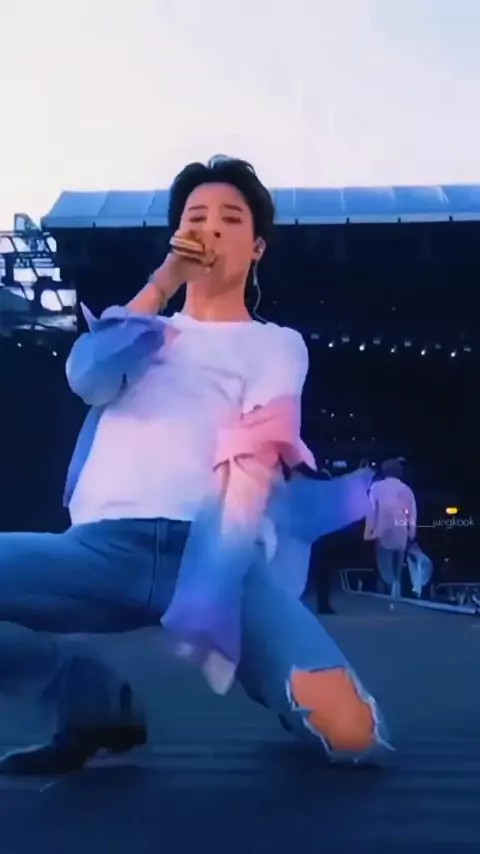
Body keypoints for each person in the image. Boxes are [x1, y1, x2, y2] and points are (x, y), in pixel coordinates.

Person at [0, 156, 388, 776]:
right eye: (195, 217)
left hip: (214, 558)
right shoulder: (140, 332)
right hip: (102, 551)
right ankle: (81, 693)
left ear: (256, 247)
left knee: (354, 735)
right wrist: (161, 283)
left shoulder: (275, 343)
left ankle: (277, 680)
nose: (210, 229)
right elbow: (88, 376)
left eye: (230, 218)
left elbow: (265, 443)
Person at [364, 458, 417, 607]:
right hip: (401, 531)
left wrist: (369, 530)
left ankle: (390, 585)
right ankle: (396, 586)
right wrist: (412, 531)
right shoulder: (406, 489)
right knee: (398, 562)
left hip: (382, 530)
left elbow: (371, 510)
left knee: (384, 562)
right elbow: (412, 513)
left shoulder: (376, 487)